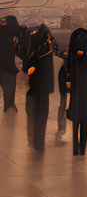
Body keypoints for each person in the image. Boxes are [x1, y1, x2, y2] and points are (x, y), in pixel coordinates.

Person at [22, 23, 55, 151]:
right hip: (43, 84)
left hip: (36, 83)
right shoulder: (47, 42)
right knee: (41, 114)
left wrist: (29, 68)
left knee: (34, 113)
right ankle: (38, 142)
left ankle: (35, 141)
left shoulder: (35, 40)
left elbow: (28, 59)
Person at [65, 24, 87, 156]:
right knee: (84, 112)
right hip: (85, 81)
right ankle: (82, 148)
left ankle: (75, 147)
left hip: (75, 82)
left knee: (75, 112)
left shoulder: (75, 41)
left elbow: (69, 61)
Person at [0, 14, 19, 112]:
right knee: (10, 87)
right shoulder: (14, 31)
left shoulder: (3, 30)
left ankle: (8, 105)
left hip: (4, 65)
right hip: (8, 66)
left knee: (7, 87)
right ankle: (10, 105)